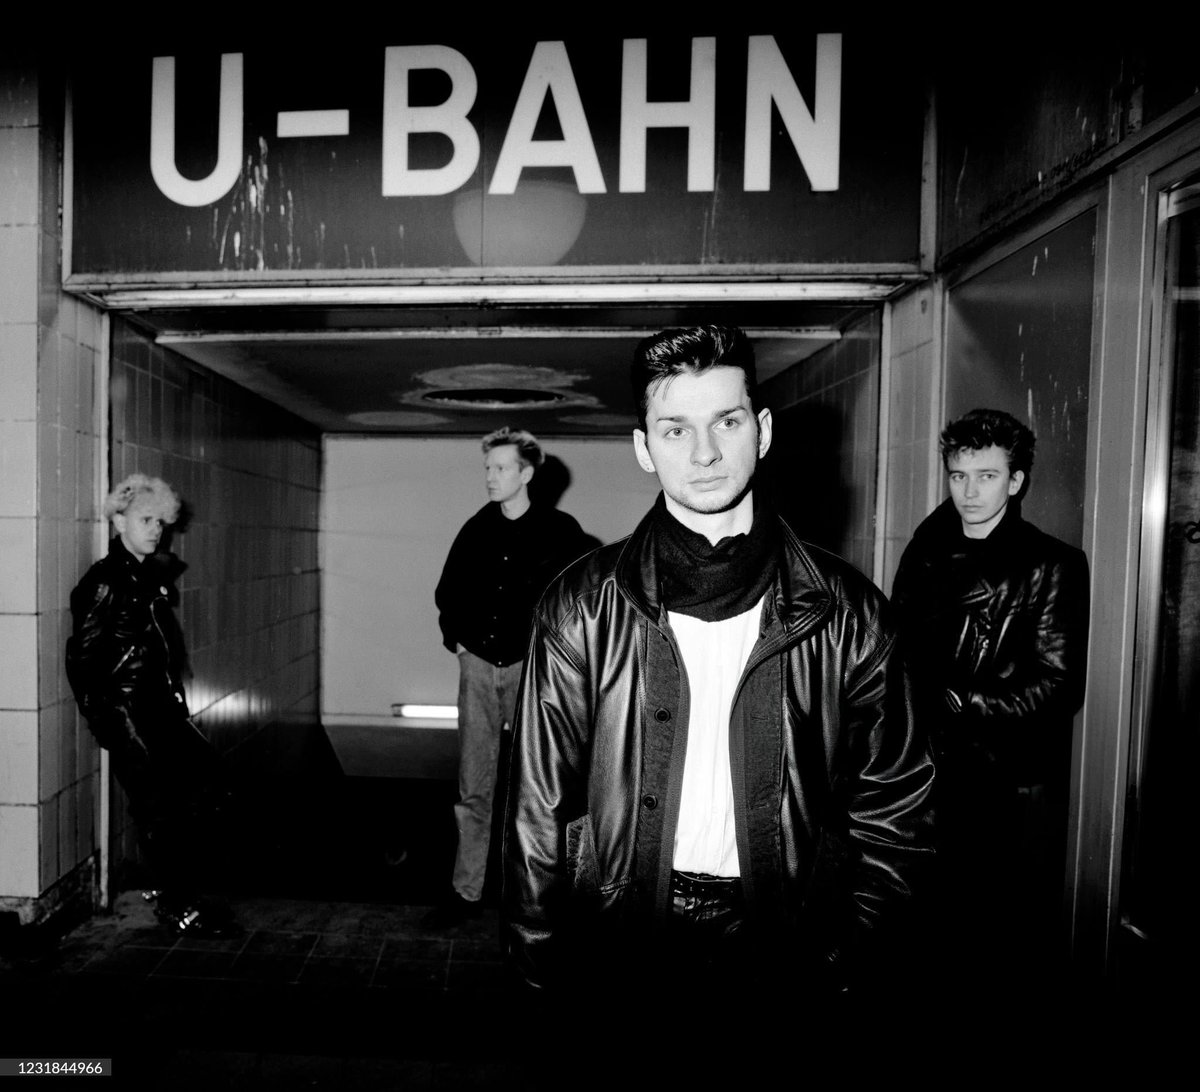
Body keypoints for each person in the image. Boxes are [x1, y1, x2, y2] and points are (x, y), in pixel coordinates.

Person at [501, 326, 936, 1035]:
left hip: (785, 952)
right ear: (644, 446)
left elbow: (899, 817)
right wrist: (540, 982)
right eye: (675, 430)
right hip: (622, 948)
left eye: (726, 422)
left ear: (761, 431)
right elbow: (535, 817)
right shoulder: (580, 607)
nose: (703, 454)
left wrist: (850, 968)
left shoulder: (848, 614)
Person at [890, 408, 1090, 997]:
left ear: (1016, 481)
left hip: (1000, 783)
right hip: (920, 773)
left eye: (986, 475)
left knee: (989, 946)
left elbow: (1058, 687)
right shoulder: (926, 549)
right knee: (919, 935)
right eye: (958, 475)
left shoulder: (1050, 563)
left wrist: (954, 699)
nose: (969, 491)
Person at [426, 427, 591, 928]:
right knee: (474, 788)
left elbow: (580, 602)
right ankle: (466, 891)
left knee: (537, 790)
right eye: (488, 468)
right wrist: (457, 641)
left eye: (500, 468)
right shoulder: (477, 527)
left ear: (526, 473)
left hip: (531, 671)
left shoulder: (561, 532)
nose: (491, 478)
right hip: (479, 668)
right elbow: (447, 590)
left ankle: (533, 899)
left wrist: (556, 662)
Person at [66, 474, 235, 936]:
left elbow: (154, 651)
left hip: (160, 712)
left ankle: (174, 889)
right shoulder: (105, 582)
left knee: (204, 785)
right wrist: (111, 724)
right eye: (145, 519)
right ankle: (178, 904)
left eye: (161, 521)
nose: (156, 529)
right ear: (118, 520)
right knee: (160, 809)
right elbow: (82, 663)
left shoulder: (143, 575)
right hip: (131, 718)